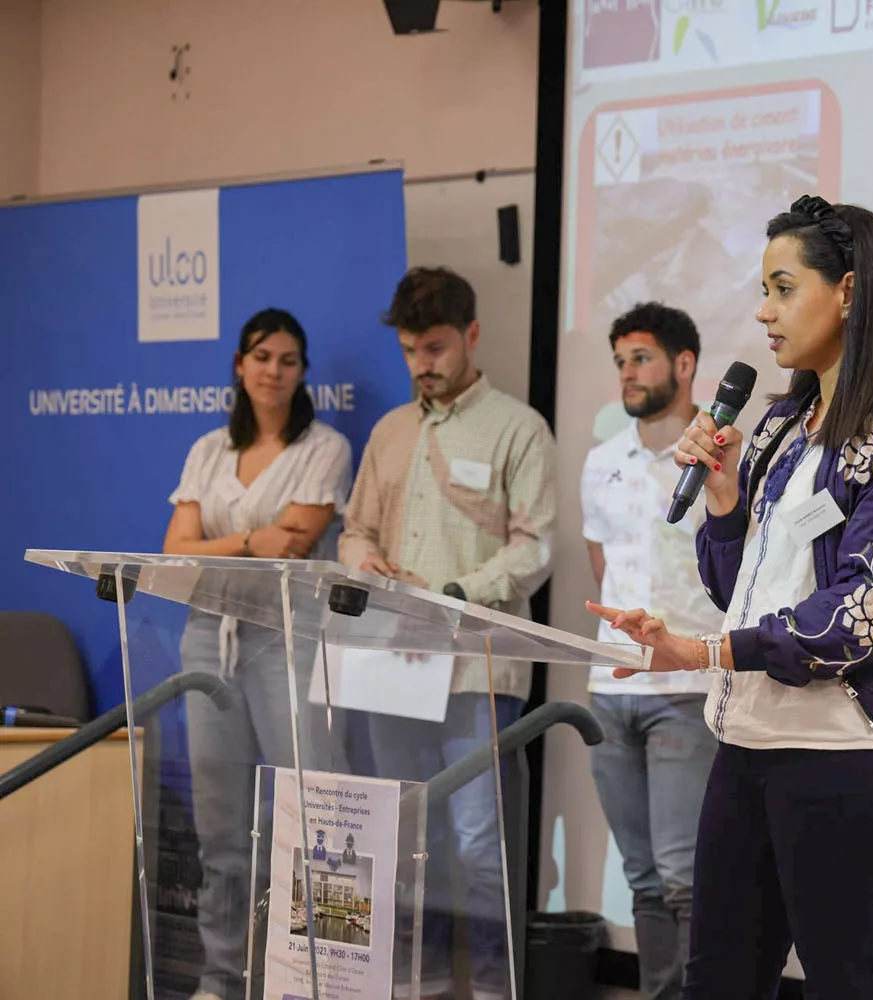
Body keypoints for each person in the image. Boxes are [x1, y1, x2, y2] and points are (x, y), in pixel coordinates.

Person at [586, 195, 873, 999]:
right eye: (761, 290)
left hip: (849, 751)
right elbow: (739, 590)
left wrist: (703, 651)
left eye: (781, 287)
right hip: (748, 741)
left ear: (849, 292)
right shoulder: (782, 423)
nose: (762, 312)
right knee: (719, 982)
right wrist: (724, 501)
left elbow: (863, 615)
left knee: (845, 985)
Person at [338, 265, 557, 1000]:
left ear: (470, 335)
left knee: (476, 842)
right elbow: (354, 530)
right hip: (390, 663)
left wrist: (456, 596)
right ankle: (416, 984)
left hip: (474, 665)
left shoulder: (519, 427)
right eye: (408, 351)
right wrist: (366, 560)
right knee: (404, 836)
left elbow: (534, 548)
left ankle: (494, 989)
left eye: (433, 347)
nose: (420, 365)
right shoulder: (389, 431)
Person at [162, 307, 354, 1000]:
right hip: (206, 638)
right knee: (219, 830)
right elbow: (173, 552)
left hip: (288, 639)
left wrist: (227, 545)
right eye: (261, 357)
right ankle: (221, 978)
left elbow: (296, 541)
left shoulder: (323, 446)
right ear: (240, 366)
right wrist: (248, 541)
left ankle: (320, 977)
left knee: (316, 819)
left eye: (288, 360)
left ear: (302, 373)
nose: (273, 370)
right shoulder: (208, 450)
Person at [580, 302, 722, 1000]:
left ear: (684, 364)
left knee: (682, 875)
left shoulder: (719, 460)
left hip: (683, 690)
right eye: (619, 362)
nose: (627, 374)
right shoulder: (601, 461)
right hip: (611, 686)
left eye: (640, 358)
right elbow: (598, 564)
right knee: (638, 875)